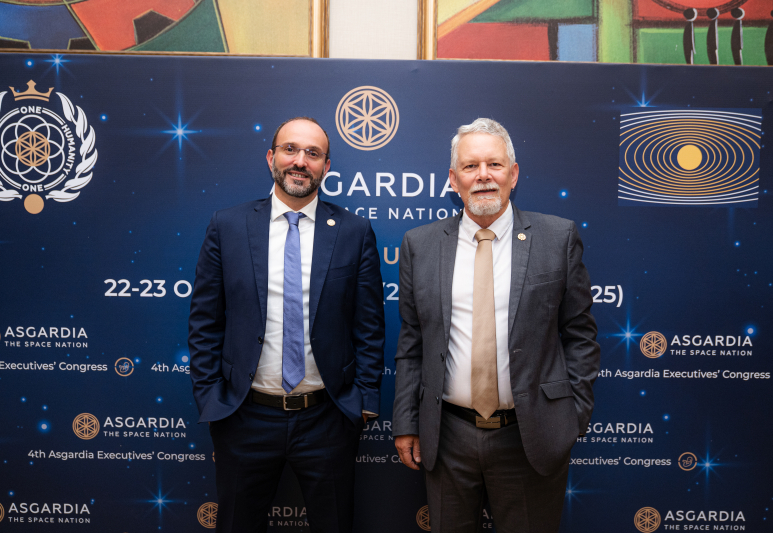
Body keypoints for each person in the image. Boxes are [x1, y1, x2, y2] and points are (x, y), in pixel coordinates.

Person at [392, 118, 601, 533]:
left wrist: (569, 417)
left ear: (513, 174)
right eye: (470, 166)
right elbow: (413, 343)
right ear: (454, 179)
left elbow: (580, 335)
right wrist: (407, 423)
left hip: (531, 436)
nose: (483, 175)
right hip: (447, 437)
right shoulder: (420, 244)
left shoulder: (557, 237)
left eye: (495, 164)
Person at [189, 117, 385, 532]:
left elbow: (369, 326)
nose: (300, 161)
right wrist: (211, 398)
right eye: (290, 149)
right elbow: (205, 320)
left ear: (326, 166)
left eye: (313, 153)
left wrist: (363, 402)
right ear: (271, 157)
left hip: (328, 418)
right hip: (244, 417)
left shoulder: (354, 231)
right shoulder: (228, 225)